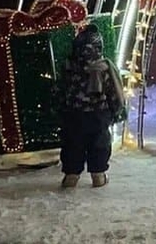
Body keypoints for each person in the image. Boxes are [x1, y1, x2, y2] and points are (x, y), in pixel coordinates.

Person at [56, 23, 126, 189]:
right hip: (98, 115)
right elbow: (113, 91)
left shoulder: (69, 66)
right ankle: (98, 176)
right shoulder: (103, 67)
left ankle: (71, 176)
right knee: (99, 144)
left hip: (74, 114)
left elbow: (60, 89)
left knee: (73, 144)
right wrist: (116, 110)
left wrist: (60, 109)